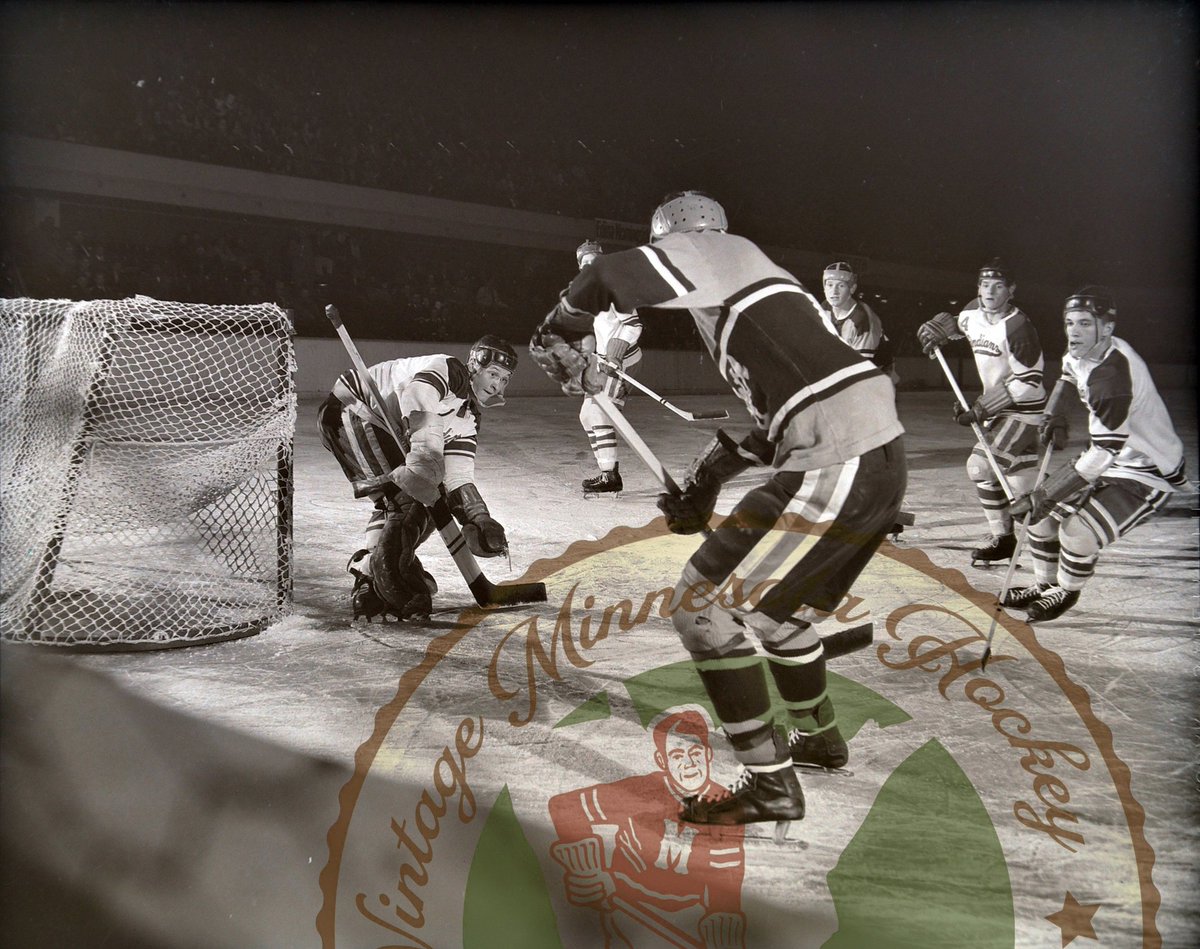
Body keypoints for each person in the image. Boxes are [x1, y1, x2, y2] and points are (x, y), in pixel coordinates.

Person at [547, 191, 907, 829]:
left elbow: (606, 273)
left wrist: (558, 331)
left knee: (700, 606)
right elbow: (767, 431)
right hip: (864, 450)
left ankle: (771, 786)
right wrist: (706, 481)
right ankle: (819, 737)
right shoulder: (750, 303)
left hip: (837, 453)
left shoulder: (720, 252)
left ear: (678, 241)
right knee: (774, 614)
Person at [1003, 287, 1187, 622]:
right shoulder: (1082, 351)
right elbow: (1067, 375)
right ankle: (1044, 585)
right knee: (1039, 519)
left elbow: (1103, 452)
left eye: (1085, 323)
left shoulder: (1113, 376)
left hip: (1145, 471)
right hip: (1113, 460)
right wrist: (1055, 412)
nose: (1074, 331)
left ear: (1108, 327)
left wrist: (1044, 495)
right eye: (1070, 322)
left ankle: (1066, 589)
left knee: (1076, 531)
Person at [317, 335, 518, 620]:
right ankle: (395, 582)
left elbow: (457, 475)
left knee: (415, 500)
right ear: (475, 366)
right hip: (354, 409)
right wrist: (426, 452)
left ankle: (370, 575)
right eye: (493, 373)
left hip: (372, 422)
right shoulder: (450, 370)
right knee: (410, 500)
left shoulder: (468, 416)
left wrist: (478, 517)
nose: (497, 384)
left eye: (505, 379)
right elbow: (416, 394)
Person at [548, 708, 746, 948]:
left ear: (708, 754)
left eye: (695, 752)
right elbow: (567, 807)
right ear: (662, 761)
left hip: (686, 921)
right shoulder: (640, 792)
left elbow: (724, 877)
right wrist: (586, 870)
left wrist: (722, 920)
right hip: (625, 913)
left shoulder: (725, 806)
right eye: (676, 755)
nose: (689, 763)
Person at [917, 259, 1047, 565]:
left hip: (1022, 411)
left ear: (1011, 290)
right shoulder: (973, 311)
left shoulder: (1018, 327)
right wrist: (941, 331)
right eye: (984, 285)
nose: (989, 291)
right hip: (998, 410)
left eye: (999, 286)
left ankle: (1003, 537)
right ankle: (1057, 525)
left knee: (979, 466)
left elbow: (1030, 381)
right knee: (1022, 484)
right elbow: (959, 326)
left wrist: (982, 407)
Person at [529, 239, 643, 495]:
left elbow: (633, 324)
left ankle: (610, 476)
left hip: (623, 361)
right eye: (585, 263)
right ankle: (608, 472)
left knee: (597, 414)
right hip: (607, 362)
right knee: (586, 416)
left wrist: (614, 354)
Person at [819, 260, 898, 384]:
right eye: (829, 285)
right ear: (824, 288)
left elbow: (861, 372)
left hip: (877, 373)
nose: (834, 292)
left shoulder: (863, 320)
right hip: (844, 363)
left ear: (852, 288)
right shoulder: (824, 308)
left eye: (841, 285)